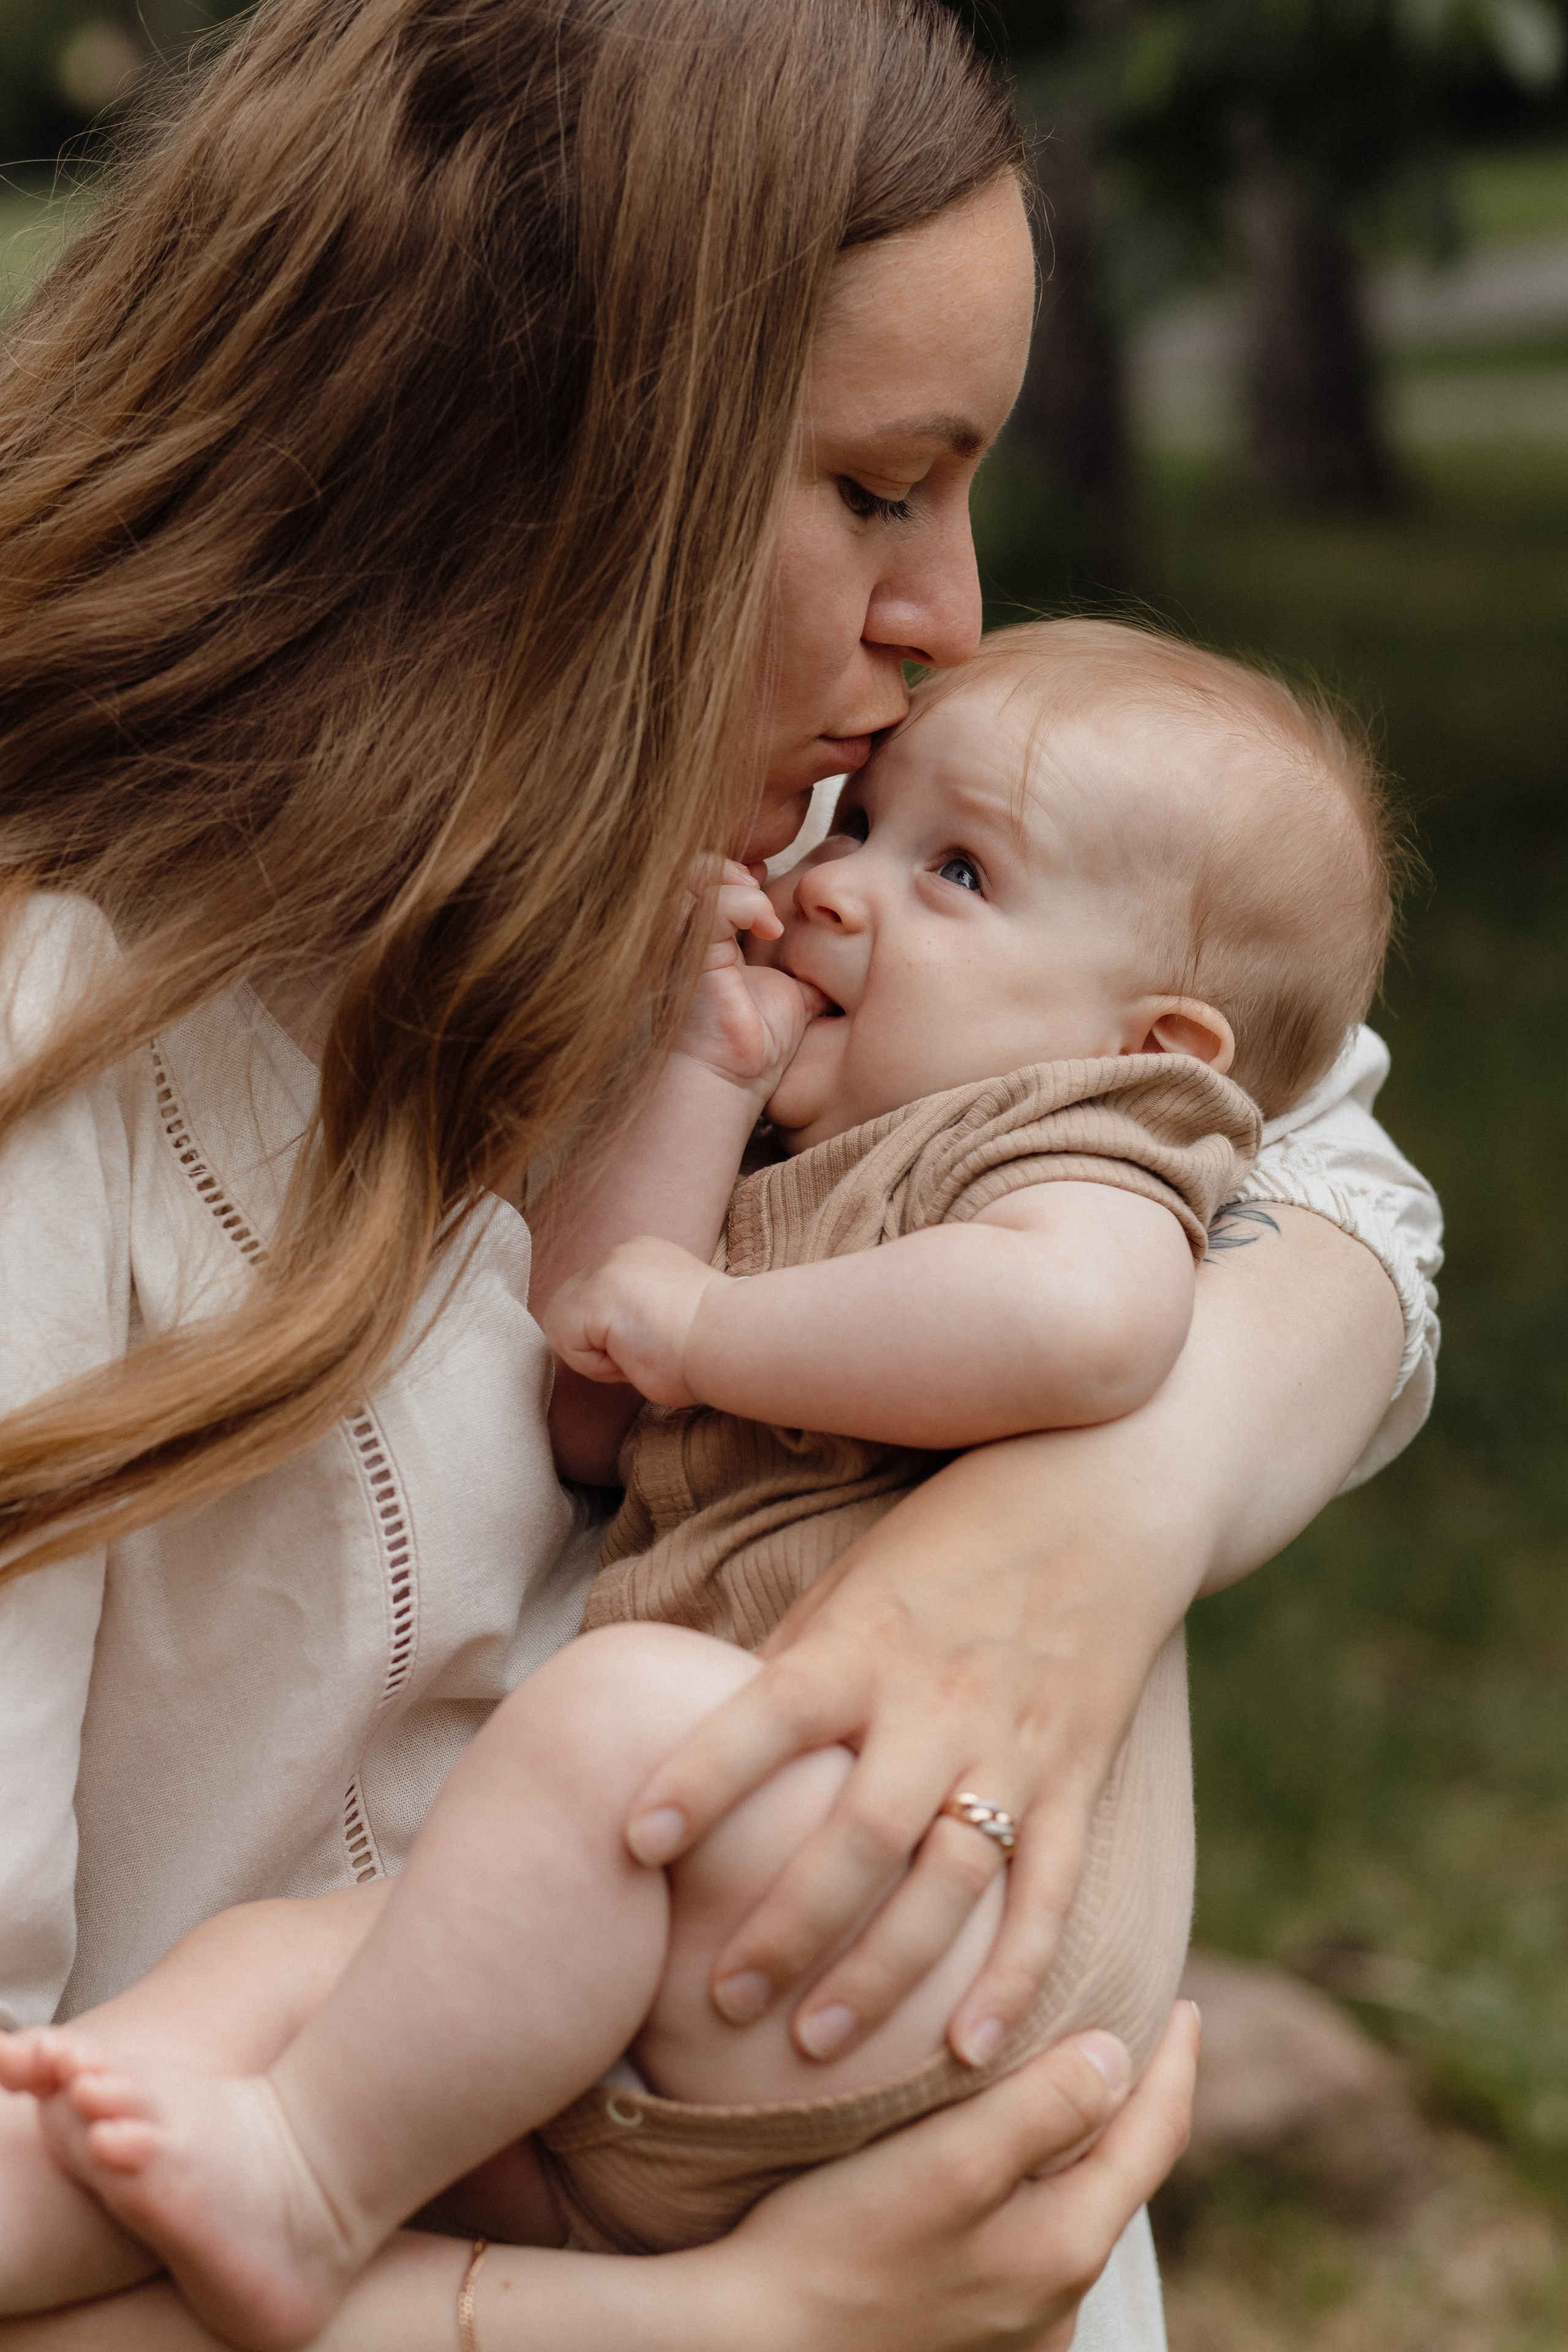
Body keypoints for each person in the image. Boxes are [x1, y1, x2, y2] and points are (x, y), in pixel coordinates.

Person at [0, 0, 1438, 2344]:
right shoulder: (70, 1065)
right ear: (526, 470)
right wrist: (728, 2326)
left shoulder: (790, 871)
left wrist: (1087, 1517)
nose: (951, 616)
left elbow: (1335, 1165)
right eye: (879, 486)